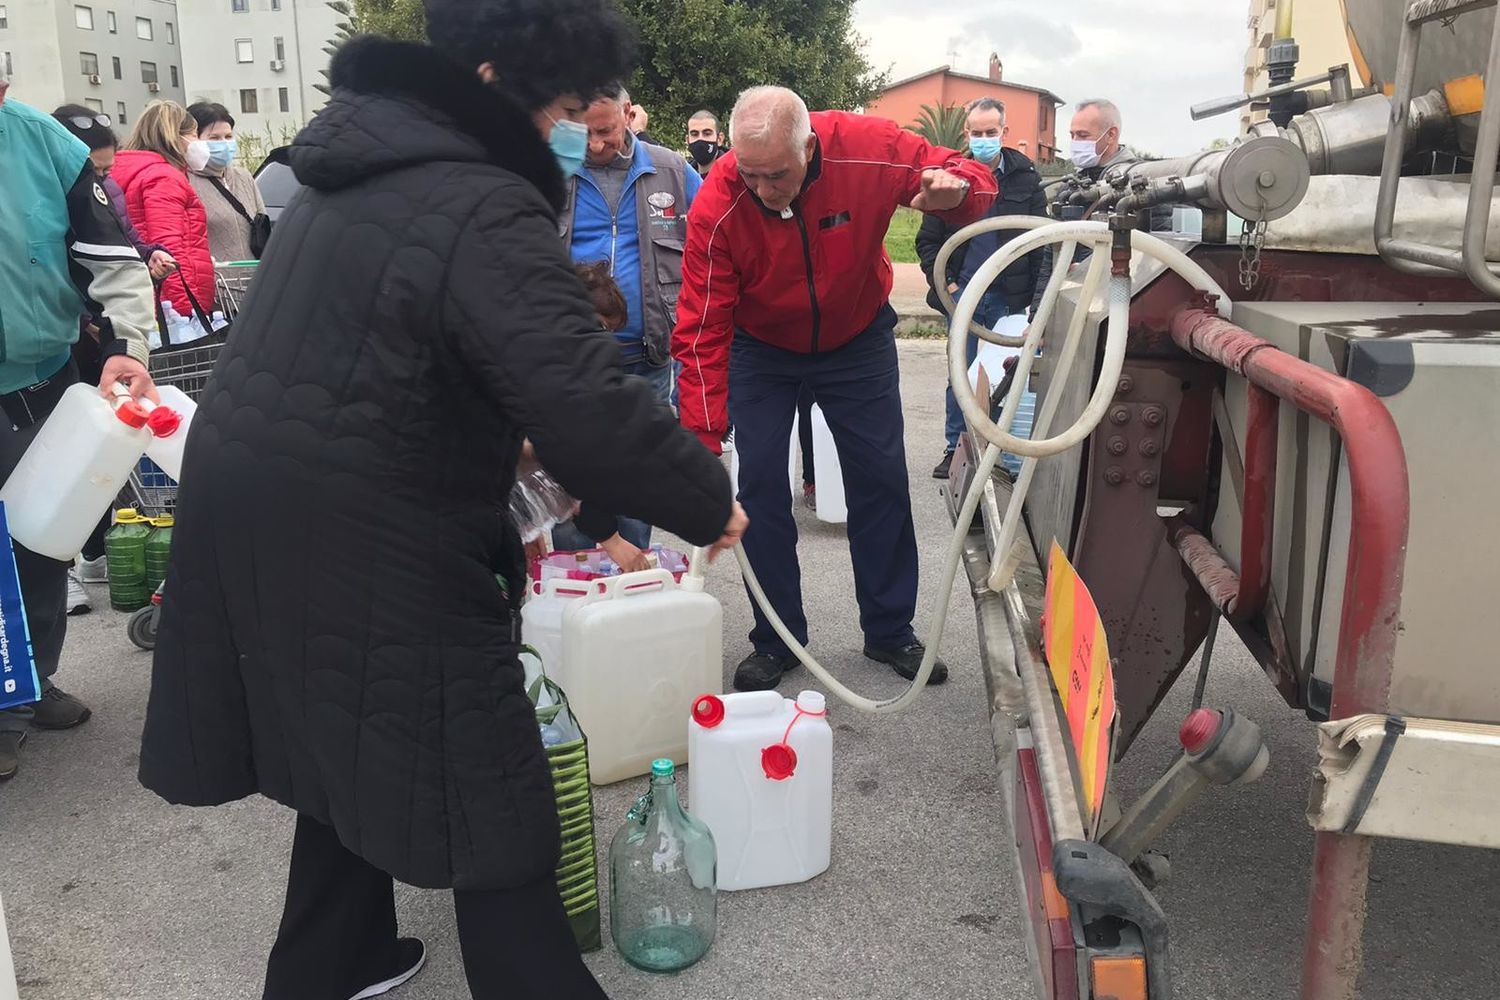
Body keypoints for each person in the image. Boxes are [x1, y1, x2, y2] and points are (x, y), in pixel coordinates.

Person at [136, 3, 744, 997]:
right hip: (368, 527)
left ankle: (333, 965)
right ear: (499, 78)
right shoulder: (479, 200)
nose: (571, 124)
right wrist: (703, 493)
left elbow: (447, 371)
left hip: (259, 504)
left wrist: (594, 507)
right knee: (491, 793)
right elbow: (581, 394)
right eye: (561, 104)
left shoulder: (353, 177)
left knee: (342, 740)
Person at [673, 85, 996, 692]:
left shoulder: (866, 147)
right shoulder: (719, 201)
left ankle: (890, 629)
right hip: (761, 348)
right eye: (752, 175)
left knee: (879, 479)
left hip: (856, 339)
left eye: (779, 174)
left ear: (811, 146)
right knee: (761, 489)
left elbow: (967, 174)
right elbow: (700, 326)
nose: (766, 190)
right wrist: (702, 434)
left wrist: (956, 194)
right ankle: (778, 637)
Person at [0, 70, 159, 781]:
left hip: (44, 383)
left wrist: (127, 346)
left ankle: (28, 686)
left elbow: (115, 261)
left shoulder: (46, 144)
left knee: (45, 541)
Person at [560, 83, 701, 550]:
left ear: (628, 112)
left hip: (648, 358)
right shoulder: (552, 167)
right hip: (569, 362)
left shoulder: (672, 171)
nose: (595, 145)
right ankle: (570, 596)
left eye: (604, 130)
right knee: (569, 483)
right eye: (582, 134)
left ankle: (630, 595)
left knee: (638, 483)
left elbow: (712, 245)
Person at [51, 105, 179, 612]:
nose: (101, 177)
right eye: (94, 168)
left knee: (92, 450)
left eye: (106, 168)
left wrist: (146, 253)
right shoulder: (45, 184)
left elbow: (114, 244)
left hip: (99, 333)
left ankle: (89, 549)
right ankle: (66, 560)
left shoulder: (102, 190)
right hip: (66, 335)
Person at [916, 97, 1048, 480]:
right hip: (964, 297)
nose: (984, 139)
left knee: (1002, 376)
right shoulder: (949, 176)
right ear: (967, 134)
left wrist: (1035, 305)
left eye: (992, 132)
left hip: (1011, 298)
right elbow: (928, 242)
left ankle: (995, 453)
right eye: (978, 133)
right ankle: (954, 447)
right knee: (960, 372)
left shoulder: (1026, 178)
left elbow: (1042, 241)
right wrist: (948, 286)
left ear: (1004, 132)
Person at [112, 101, 216, 322]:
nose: (198, 142)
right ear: (178, 137)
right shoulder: (164, 177)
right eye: (194, 134)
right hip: (171, 308)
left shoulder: (128, 171)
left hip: (140, 297)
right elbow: (170, 249)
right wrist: (187, 314)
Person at [186, 102, 270, 263]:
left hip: (251, 278)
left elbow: (261, 220)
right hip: (216, 280)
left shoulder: (243, 176)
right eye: (214, 138)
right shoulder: (185, 181)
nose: (224, 143)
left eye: (228, 136)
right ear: (193, 140)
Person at [685, 108, 729, 178]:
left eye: (707, 134)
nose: (700, 138)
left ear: (719, 139)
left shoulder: (735, 175)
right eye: (694, 134)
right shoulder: (683, 177)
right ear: (687, 140)